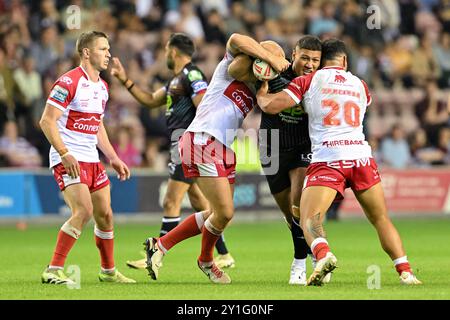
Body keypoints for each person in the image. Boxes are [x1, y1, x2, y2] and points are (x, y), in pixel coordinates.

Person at [256, 38, 421, 286]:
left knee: (309, 219)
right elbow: (361, 105)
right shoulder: (362, 85)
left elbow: (271, 107)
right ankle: (406, 272)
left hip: (329, 159)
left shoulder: (309, 80)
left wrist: (261, 94)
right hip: (361, 157)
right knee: (381, 219)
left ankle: (323, 255)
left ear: (322, 62)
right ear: (344, 61)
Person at [143, 33, 289, 284]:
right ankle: (205, 261)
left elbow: (269, 106)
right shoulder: (228, 68)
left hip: (221, 145)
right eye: (268, 56)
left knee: (216, 212)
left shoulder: (256, 86)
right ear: (256, 54)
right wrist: (268, 57)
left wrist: (268, 83)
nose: (272, 62)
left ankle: (161, 245)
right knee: (225, 212)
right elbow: (234, 38)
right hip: (202, 138)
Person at [111, 33, 235, 270]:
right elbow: (149, 100)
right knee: (200, 202)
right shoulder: (174, 81)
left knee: (171, 201)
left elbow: (204, 104)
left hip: (188, 144)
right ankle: (225, 254)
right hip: (183, 145)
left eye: (166, 49)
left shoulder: (193, 75)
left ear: (174, 51)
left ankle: (155, 253)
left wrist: (198, 137)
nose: (164, 54)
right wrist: (126, 80)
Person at [39, 31, 135, 285]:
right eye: (103, 49)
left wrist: (112, 156)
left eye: (108, 48)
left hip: (92, 159)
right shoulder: (68, 82)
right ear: (86, 52)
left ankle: (108, 271)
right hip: (69, 156)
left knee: (105, 215)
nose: (108, 54)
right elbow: (47, 121)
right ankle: (52, 269)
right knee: (83, 211)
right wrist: (64, 152)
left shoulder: (102, 87)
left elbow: (97, 125)